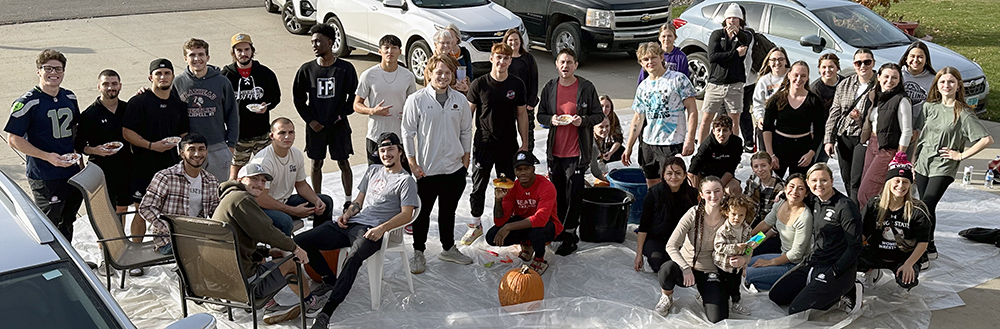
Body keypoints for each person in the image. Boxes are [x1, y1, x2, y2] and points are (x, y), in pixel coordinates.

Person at [297, 132, 419, 329]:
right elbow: (359, 201)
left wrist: (381, 229)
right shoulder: (373, 170)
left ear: (400, 152)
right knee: (301, 241)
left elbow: (407, 214)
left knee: (353, 258)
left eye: (390, 149)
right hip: (352, 223)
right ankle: (330, 280)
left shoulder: (405, 181)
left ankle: (326, 313)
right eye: (382, 150)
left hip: (373, 230)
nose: (386, 154)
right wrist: (347, 213)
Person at [212, 163, 312, 324]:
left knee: (263, 257)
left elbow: (238, 243)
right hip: (242, 285)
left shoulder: (229, 197)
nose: (259, 184)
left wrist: (266, 252)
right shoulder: (242, 199)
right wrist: (295, 248)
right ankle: (311, 304)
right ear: (240, 179)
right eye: (254, 179)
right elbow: (267, 231)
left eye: (263, 181)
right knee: (292, 263)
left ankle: (270, 304)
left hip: (220, 279)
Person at [402, 54, 475, 270]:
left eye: (447, 73)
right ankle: (418, 252)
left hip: (454, 168)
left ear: (453, 75)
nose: (443, 77)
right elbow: (407, 132)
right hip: (427, 170)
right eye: (439, 72)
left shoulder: (459, 100)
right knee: (422, 213)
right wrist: (412, 162)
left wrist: (465, 159)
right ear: (429, 73)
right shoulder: (416, 100)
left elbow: (466, 131)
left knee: (448, 211)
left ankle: (448, 248)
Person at [912, 66, 993, 260]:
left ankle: (924, 248)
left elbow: (986, 139)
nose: (946, 85)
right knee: (925, 206)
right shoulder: (929, 107)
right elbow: (918, 134)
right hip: (923, 163)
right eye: (942, 81)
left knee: (926, 204)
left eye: (951, 82)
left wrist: (961, 155)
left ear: (958, 86)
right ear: (937, 85)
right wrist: (913, 160)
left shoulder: (963, 113)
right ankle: (929, 245)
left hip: (943, 166)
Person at [5, 49, 83, 242]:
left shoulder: (70, 97)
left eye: (58, 68)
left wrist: (79, 160)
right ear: (38, 71)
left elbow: (75, 129)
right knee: (49, 225)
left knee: (68, 220)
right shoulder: (28, 102)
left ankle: (69, 258)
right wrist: (47, 156)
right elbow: (13, 139)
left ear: (63, 72)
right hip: (45, 175)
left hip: (71, 171)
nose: (53, 73)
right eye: (48, 68)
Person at [769, 163, 863, 315]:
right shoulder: (788, 204)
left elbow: (855, 246)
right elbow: (767, 226)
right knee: (775, 295)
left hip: (828, 265)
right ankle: (814, 285)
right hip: (812, 260)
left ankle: (848, 288)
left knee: (796, 310)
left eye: (824, 180)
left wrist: (836, 270)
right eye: (814, 181)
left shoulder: (844, 207)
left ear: (832, 181)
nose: (819, 184)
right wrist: (750, 243)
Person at [536, 47, 605, 255]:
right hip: (555, 152)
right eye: (562, 62)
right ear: (556, 65)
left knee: (574, 194)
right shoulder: (550, 87)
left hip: (576, 152)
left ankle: (570, 235)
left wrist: (582, 121)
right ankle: (558, 229)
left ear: (575, 65)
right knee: (556, 195)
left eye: (569, 62)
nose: (565, 66)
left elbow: (598, 115)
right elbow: (541, 115)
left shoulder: (586, 87)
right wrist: (552, 120)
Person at [653, 176, 748, 322]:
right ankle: (667, 296)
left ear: (723, 192)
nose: (713, 196)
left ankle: (707, 293)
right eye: (708, 192)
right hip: (686, 266)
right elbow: (671, 245)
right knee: (667, 268)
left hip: (711, 269)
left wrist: (745, 259)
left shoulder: (731, 216)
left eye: (717, 191)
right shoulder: (693, 214)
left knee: (718, 318)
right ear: (701, 194)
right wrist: (685, 268)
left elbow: (751, 241)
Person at [466, 42, 531, 246]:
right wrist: (463, 144)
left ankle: (508, 225)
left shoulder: (517, 84)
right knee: (479, 185)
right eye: (498, 57)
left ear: (510, 61)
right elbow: (467, 115)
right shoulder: (479, 84)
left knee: (508, 186)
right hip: (483, 144)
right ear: (491, 58)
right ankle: (475, 224)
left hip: (508, 144)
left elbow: (522, 114)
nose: (502, 61)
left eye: (506, 58)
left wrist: (525, 143)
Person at [122, 58, 190, 244]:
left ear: (173, 76)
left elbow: (184, 133)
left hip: (170, 167)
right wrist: (151, 145)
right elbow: (127, 132)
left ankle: (166, 249)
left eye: (167, 73)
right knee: (141, 211)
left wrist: (181, 146)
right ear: (150, 77)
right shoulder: (138, 102)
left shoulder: (179, 105)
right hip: (143, 166)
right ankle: (137, 251)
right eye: (158, 73)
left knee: (169, 212)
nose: (163, 77)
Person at [294, 23, 359, 207]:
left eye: (318, 41)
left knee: (343, 162)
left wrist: (341, 115)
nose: (314, 45)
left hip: (339, 126)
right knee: (316, 164)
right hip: (316, 128)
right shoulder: (306, 70)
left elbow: (354, 97)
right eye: (312, 42)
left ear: (330, 42)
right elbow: (299, 99)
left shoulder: (345, 69)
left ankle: (348, 200)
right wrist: (310, 120)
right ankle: (317, 200)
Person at [138, 133, 219, 276]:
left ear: (206, 152)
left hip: (197, 235)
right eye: (191, 149)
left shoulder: (211, 181)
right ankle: (193, 281)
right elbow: (146, 208)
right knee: (204, 250)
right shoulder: (166, 177)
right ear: (181, 153)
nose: (197, 154)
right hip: (168, 240)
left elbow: (215, 212)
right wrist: (172, 229)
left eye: (201, 149)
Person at [622, 42, 698, 188]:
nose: (650, 62)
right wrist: (629, 146)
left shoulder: (678, 79)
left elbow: (692, 110)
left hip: (671, 142)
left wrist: (690, 138)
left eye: (653, 57)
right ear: (641, 63)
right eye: (645, 59)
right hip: (648, 142)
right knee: (652, 183)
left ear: (661, 57)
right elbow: (638, 119)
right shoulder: (643, 86)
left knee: (673, 184)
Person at [249, 118, 334, 235]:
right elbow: (261, 199)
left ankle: (319, 242)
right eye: (282, 133)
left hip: (284, 201)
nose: (287, 137)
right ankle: (286, 247)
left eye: (291, 132)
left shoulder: (296, 154)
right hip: (262, 208)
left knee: (325, 202)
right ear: (272, 136)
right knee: (285, 221)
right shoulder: (263, 161)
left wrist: (316, 200)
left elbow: (301, 185)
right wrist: (293, 210)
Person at [858, 156, 930, 291]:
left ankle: (904, 274)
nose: (901, 186)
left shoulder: (918, 210)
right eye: (897, 181)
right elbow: (863, 233)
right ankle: (873, 270)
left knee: (907, 281)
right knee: (848, 264)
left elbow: (923, 242)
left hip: (903, 256)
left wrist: (909, 264)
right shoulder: (875, 204)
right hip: (876, 252)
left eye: (905, 182)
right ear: (888, 182)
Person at [172, 38, 240, 182]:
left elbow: (232, 115)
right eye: (192, 55)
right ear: (185, 58)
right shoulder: (178, 83)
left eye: (201, 54)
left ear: (207, 57)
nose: (197, 59)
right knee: (191, 189)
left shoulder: (222, 82)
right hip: (190, 147)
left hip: (217, 146)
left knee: (217, 190)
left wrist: (230, 146)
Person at [487, 151, 563, 275]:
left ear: (533, 169)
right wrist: (498, 200)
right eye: (519, 169)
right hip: (524, 223)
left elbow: (541, 219)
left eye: (526, 168)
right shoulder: (513, 187)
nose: (522, 172)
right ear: (515, 171)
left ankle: (539, 258)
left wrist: (509, 227)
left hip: (547, 225)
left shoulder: (546, 186)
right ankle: (527, 244)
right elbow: (500, 221)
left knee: (536, 231)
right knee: (492, 237)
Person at [221, 33, 282, 181]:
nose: (243, 53)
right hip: (238, 136)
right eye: (239, 50)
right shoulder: (226, 76)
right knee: (236, 172)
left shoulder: (265, 73)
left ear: (252, 50)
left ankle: (267, 195)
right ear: (233, 52)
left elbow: (275, 96)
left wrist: (267, 106)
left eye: (246, 49)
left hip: (262, 134)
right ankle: (234, 194)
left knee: (266, 170)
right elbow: (220, 103)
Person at [75, 69, 132, 223]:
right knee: (105, 211)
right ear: (99, 86)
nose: (110, 87)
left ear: (120, 86)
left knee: (122, 209)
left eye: (114, 84)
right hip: (101, 170)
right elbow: (79, 145)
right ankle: (106, 239)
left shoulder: (128, 109)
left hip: (126, 167)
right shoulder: (90, 114)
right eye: (106, 84)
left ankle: (120, 236)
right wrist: (95, 150)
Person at [355, 34, 417, 170]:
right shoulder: (368, 75)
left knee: (403, 176)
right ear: (379, 51)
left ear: (400, 51)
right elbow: (357, 104)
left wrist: (408, 114)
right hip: (375, 135)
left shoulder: (408, 76)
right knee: (376, 176)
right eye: (386, 48)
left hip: (401, 136)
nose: (390, 51)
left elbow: (413, 104)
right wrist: (372, 111)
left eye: (394, 48)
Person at [856, 63, 912, 209]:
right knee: (872, 189)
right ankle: (873, 218)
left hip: (887, 150)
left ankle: (869, 219)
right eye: (886, 76)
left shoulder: (902, 100)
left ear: (899, 80)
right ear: (879, 77)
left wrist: (899, 156)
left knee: (866, 192)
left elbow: (907, 131)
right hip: (872, 144)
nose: (889, 81)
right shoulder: (875, 96)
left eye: (894, 78)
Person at [824, 49, 876, 205]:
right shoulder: (845, 84)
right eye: (858, 63)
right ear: (854, 65)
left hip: (864, 137)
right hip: (844, 135)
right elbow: (834, 113)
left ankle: (855, 211)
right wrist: (829, 139)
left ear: (873, 63)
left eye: (867, 62)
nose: (863, 66)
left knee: (856, 179)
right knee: (846, 178)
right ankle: (854, 206)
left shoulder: (879, 84)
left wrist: (860, 119)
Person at [745, 173, 812, 290]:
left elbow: (796, 254)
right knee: (743, 262)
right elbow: (766, 224)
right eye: (791, 186)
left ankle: (792, 285)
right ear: (785, 188)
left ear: (806, 193)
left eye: (800, 189)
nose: (794, 191)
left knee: (745, 273)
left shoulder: (805, 217)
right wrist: (748, 241)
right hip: (782, 255)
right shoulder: (781, 204)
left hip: (796, 264)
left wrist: (769, 262)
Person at [698, 3, 752, 146]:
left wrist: (737, 34)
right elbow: (713, 57)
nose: (731, 21)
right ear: (725, 20)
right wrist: (735, 54)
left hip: (735, 84)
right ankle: (701, 149)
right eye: (729, 18)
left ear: (740, 20)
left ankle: (733, 150)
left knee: (734, 120)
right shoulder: (717, 34)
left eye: (735, 18)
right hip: (715, 83)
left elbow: (745, 42)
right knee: (706, 119)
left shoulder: (745, 35)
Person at [762, 61, 827, 178]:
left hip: (803, 148)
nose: (799, 79)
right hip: (779, 146)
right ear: (789, 75)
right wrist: (770, 154)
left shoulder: (814, 101)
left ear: (807, 78)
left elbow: (819, 129)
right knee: (773, 183)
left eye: (803, 76)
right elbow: (767, 128)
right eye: (796, 75)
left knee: (799, 183)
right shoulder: (776, 99)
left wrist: (811, 153)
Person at [634, 157, 698, 273]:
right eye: (669, 173)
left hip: (681, 240)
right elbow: (644, 226)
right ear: (663, 175)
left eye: (678, 173)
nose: (673, 177)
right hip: (657, 238)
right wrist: (639, 254)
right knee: (658, 263)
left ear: (684, 175)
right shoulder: (653, 193)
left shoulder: (693, 194)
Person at [712, 195, 755, 315]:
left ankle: (736, 302)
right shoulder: (723, 230)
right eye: (734, 214)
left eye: (741, 215)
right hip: (724, 266)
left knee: (736, 285)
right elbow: (718, 246)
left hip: (738, 267)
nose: (737, 218)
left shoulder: (747, 229)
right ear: (727, 213)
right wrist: (735, 247)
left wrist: (747, 254)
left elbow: (749, 249)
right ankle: (721, 299)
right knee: (725, 285)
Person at [743, 151, 785, 255]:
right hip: (751, 223)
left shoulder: (779, 186)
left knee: (750, 251)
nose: (760, 169)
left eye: (763, 165)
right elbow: (745, 202)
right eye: (756, 166)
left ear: (770, 166)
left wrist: (753, 239)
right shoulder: (752, 180)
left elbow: (774, 222)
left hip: (769, 230)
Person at [504, 28, 539, 151]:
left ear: (521, 41)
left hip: (525, 103)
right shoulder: (503, 59)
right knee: (508, 133)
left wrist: (531, 102)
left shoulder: (528, 58)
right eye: (510, 40)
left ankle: (528, 154)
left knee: (528, 133)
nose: (513, 43)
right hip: (508, 103)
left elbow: (534, 80)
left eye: (516, 40)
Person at [688, 115, 742, 194]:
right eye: (718, 130)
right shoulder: (707, 144)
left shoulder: (736, 143)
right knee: (695, 190)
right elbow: (694, 166)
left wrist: (718, 186)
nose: (721, 134)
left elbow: (731, 168)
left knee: (733, 189)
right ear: (713, 131)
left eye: (725, 130)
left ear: (730, 131)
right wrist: (694, 190)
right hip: (705, 175)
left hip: (724, 176)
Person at [750, 47, 789, 152]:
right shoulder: (764, 80)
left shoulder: (792, 76)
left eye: (781, 59)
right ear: (768, 62)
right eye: (773, 60)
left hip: (787, 124)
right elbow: (758, 103)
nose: (777, 63)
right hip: (769, 123)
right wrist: (760, 118)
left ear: (786, 61)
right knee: (766, 156)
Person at [899, 41, 935, 157]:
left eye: (920, 57)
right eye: (912, 56)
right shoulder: (897, 75)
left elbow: (933, 107)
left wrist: (918, 129)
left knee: (910, 162)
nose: (916, 60)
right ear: (906, 58)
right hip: (896, 127)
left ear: (926, 59)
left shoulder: (933, 80)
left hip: (918, 130)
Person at [810, 53, 843, 163]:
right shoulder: (815, 89)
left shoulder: (844, 83)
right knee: (816, 161)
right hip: (819, 129)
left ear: (837, 68)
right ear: (819, 69)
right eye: (824, 67)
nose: (827, 70)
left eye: (831, 67)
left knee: (824, 161)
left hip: (838, 127)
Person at [432, 27, 472, 93]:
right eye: (442, 43)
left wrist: (465, 85)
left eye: (448, 43)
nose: (446, 45)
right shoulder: (432, 64)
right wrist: (455, 88)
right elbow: (432, 89)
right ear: (435, 44)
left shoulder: (452, 60)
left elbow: (466, 78)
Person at [597, 95, 624, 162]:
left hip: (604, 146)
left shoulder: (613, 117)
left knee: (621, 150)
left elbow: (618, 138)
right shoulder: (592, 118)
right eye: (601, 106)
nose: (604, 110)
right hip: (593, 147)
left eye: (607, 107)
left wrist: (610, 152)